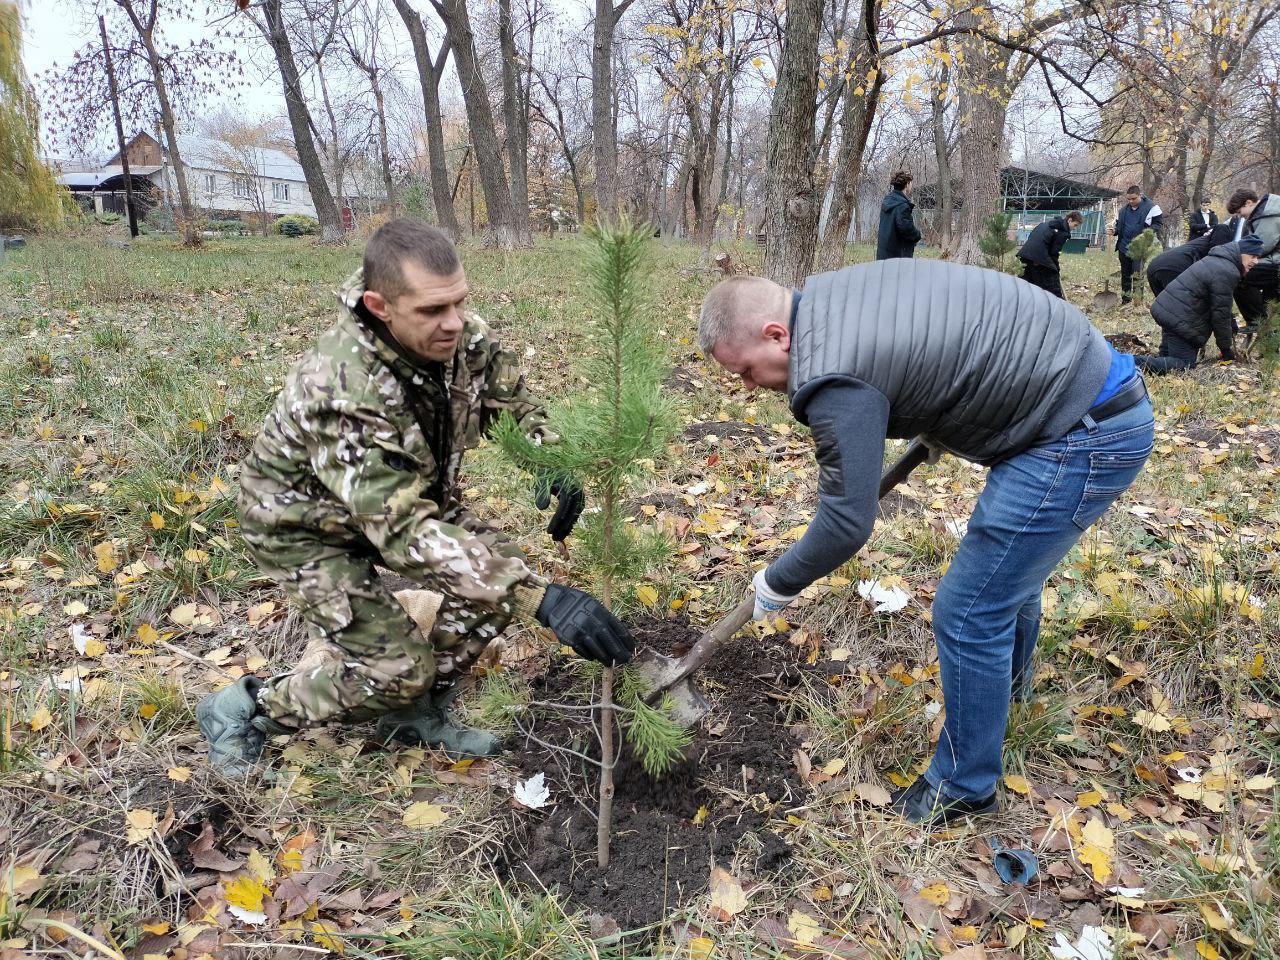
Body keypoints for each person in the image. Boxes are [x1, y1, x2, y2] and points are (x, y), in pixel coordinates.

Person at [697, 261, 1152, 826]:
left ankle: (964, 786)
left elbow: (845, 524)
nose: (748, 387)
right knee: (1004, 578)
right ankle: (1005, 697)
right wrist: (938, 417)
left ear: (775, 335)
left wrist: (777, 582)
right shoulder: (831, 299)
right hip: (1077, 387)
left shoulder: (831, 374)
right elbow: (934, 342)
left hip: (1081, 430)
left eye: (745, 370)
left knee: (970, 610)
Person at [196, 219, 633, 773]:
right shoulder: (339, 386)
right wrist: (541, 599)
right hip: (302, 528)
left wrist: (549, 456)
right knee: (405, 664)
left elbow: (511, 402)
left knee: (498, 571)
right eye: (432, 310)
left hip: (407, 497)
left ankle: (413, 715)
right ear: (379, 306)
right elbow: (400, 531)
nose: (455, 321)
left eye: (459, 301)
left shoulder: (460, 337)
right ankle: (246, 708)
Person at [1135, 236, 1262, 374]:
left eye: (1258, 257)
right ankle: (1128, 362)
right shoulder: (1227, 270)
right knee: (1184, 365)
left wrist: (1231, 323)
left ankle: (1134, 366)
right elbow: (1220, 316)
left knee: (1165, 360)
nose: (1256, 261)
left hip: (1172, 312)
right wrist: (1226, 349)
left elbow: (1220, 304)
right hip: (1180, 319)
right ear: (1241, 253)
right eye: (1253, 256)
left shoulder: (1220, 262)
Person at [1109, 185, 1164, 303]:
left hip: (1140, 247)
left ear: (1140, 195)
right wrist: (1115, 231)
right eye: (1128, 199)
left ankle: (1137, 301)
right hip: (1124, 247)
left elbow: (1158, 224)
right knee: (1125, 274)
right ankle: (1126, 300)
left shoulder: (1152, 208)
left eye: (1133, 198)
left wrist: (1146, 234)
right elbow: (1120, 227)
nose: (1131, 201)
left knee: (1137, 274)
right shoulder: (1123, 210)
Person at [1237, 189, 1280, 329]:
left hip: (1276, 263)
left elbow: (1260, 246)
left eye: (1239, 211)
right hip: (1274, 260)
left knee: (1238, 276)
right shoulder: (1266, 210)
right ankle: (1267, 328)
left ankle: (1257, 321)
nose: (1240, 216)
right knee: (1270, 302)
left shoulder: (1269, 214)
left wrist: (1237, 255)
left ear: (1248, 203)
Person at [1016, 211, 1083, 299]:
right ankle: (1059, 305)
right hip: (1039, 259)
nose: (1074, 228)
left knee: (1026, 287)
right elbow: (1054, 253)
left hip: (1024, 256)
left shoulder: (1044, 224)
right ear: (1069, 220)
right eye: (1075, 225)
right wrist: (1056, 269)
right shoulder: (1063, 232)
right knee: (1052, 289)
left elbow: (1031, 237)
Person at [876, 170, 922, 260]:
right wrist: (917, 235)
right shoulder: (902, 205)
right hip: (897, 256)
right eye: (911, 183)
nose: (911, 185)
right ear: (907, 184)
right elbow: (906, 228)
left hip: (884, 253)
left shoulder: (887, 200)